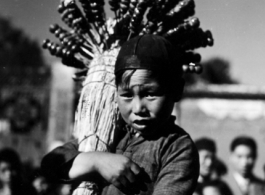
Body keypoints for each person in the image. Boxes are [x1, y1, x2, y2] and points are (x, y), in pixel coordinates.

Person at [41, 34, 200, 195]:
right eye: (127, 95)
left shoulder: (176, 148)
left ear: (177, 90)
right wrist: (96, 162)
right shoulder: (106, 130)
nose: (138, 108)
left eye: (150, 94)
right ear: (115, 92)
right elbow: (50, 165)